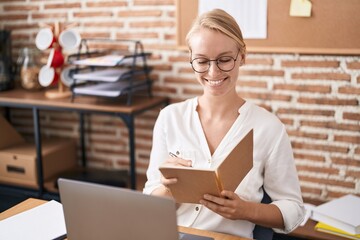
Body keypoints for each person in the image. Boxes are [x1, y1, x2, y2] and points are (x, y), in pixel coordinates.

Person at [143, 8, 304, 239]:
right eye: (201, 61)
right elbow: (149, 204)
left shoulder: (268, 128)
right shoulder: (170, 118)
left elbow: (294, 210)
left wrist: (245, 210)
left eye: (225, 60)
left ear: (242, 56)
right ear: (191, 60)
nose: (213, 71)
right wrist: (168, 188)